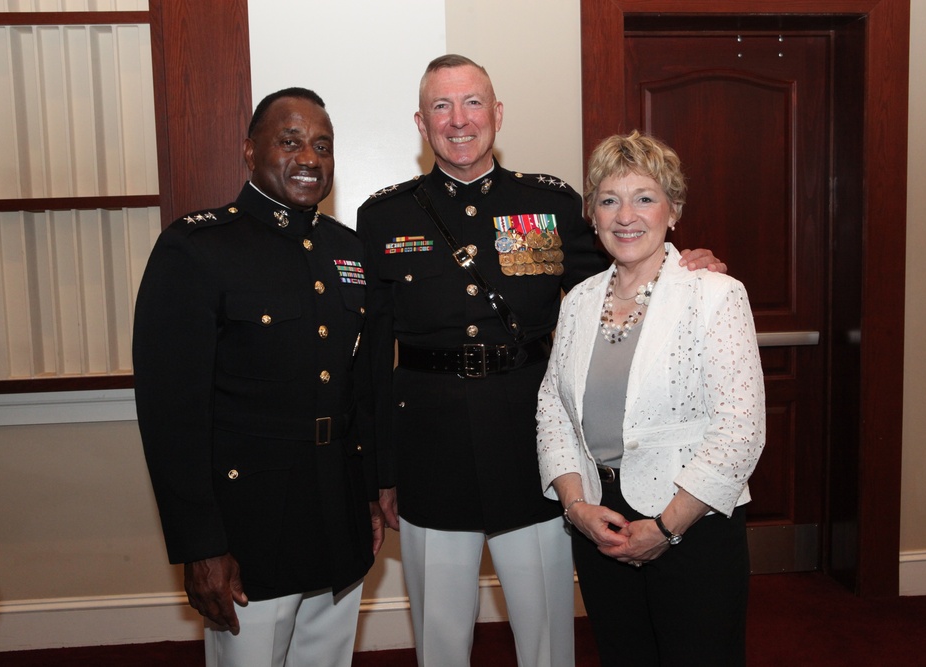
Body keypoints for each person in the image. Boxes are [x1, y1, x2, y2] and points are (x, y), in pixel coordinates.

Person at [356, 54, 725, 666]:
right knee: (441, 636)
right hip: (429, 446)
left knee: (547, 632)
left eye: (472, 102)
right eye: (441, 107)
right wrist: (382, 470)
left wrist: (686, 264)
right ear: (421, 124)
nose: (458, 120)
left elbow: (619, 273)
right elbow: (372, 355)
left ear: (497, 114)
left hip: (531, 444)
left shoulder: (549, 203)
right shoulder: (384, 216)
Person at [133, 87, 383, 667]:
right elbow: (172, 414)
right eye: (290, 141)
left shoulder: (344, 250)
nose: (309, 158)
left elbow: (358, 387)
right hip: (250, 527)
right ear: (250, 151)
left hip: (336, 513)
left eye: (323, 145)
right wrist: (201, 546)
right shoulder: (197, 248)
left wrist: (366, 495)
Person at [537, 131, 766, 666]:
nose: (626, 216)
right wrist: (577, 508)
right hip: (600, 524)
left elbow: (741, 431)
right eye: (609, 200)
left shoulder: (716, 295)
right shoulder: (578, 303)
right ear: (592, 214)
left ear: (674, 209)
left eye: (644, 197)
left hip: (693, 523)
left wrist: (666, 528)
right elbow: (554, 410)